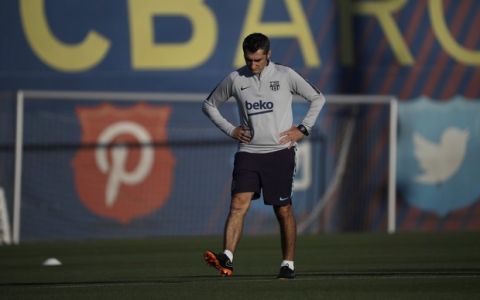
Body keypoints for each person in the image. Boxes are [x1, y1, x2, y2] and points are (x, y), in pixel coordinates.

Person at [202, 32, 325, 279]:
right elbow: (209, 105)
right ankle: (227, 257)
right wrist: (231, 130)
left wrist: (303, 128)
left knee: (283, 210)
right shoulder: (236, 78)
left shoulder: (285, 75)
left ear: (268, 55)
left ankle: (287, 264)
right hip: (248, 153)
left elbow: (317, 98)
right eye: (249, 60)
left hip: (279, 153)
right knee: (238, 204)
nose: (253, 65)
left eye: (258, 60)